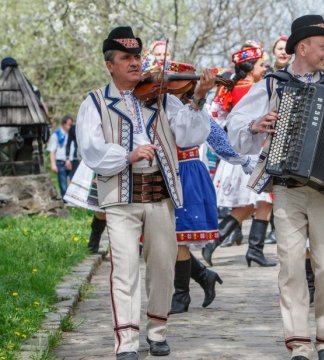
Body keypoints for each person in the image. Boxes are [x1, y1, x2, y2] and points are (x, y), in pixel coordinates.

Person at [227, 15, 324, 360]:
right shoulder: (271, 85)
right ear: (303, 47)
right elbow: (234, 127)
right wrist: (255, 124)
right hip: (286, 187)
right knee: (291, 265)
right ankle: (298, 342)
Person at [76, 26, 214, 359]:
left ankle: (157, 330)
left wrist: (197, 98)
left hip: (159, 195)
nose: (135, 63)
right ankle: (126, 342)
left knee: (163, 266)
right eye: (126, 58)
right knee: (123, 269)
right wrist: (127, 155)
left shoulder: (162, 98)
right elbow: (91, 149)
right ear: (110, 64)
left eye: (137, 56)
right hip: (121, 196)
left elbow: (189, 135)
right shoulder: (95, 102)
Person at [202, 45, 277, 268]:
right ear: (250, 67)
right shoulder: (250, 90)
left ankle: (231, 245)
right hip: (249, 153)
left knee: (255, 204)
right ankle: (251, 249)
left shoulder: (232, 87)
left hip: (241, 152)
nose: (264, 69)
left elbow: (217, 115)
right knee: (262, 201)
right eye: (261, 65)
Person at [47, 114, 76, 198]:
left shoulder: (72, 134)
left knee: (74, 182)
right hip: (60, 162)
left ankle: (73, 200)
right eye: (69, 124)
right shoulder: (56, 135)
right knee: (63, 184)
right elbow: (52, 151)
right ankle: (65, 200)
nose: (70, 126)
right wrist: (53, 164)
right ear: (63, 124)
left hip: (71, 161)